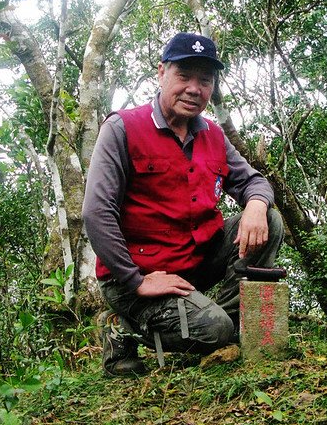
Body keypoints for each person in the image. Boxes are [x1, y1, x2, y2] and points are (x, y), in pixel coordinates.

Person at [83, 32, 284, 376]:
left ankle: (214, 322)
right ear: (161, 73)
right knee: (216, 331)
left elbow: (253, 181)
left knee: (269, 217)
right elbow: (96, 212)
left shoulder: (212, 134)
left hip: (192, 263)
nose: (194, 88)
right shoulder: (123, 128)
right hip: (138, 275)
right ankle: (123, 326)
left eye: (205, 80)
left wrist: (254, 204)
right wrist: (136, 280)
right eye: (184, 76)